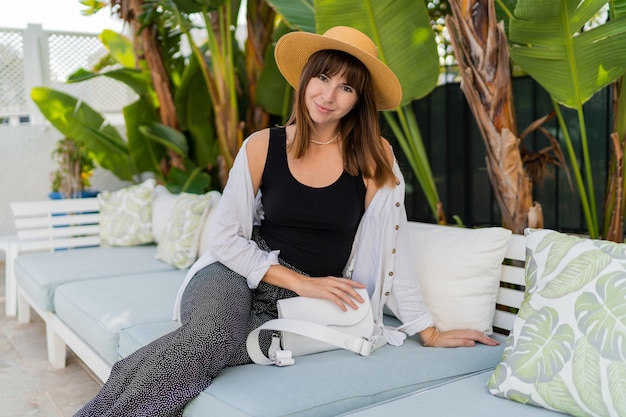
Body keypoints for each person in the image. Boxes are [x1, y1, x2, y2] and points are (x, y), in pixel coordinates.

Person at [74, 26, 498, 417]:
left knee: (214, 344)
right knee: (215, 336)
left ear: (359, 99)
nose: (329, 95)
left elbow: (395, 247)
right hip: (234, 274)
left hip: (302, 306)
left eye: (346, 86)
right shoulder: (262, 146)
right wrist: (302, 281)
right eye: (322, 78)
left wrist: (426, 330)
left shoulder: (375, 158)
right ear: (305, 78)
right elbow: (224, 238)